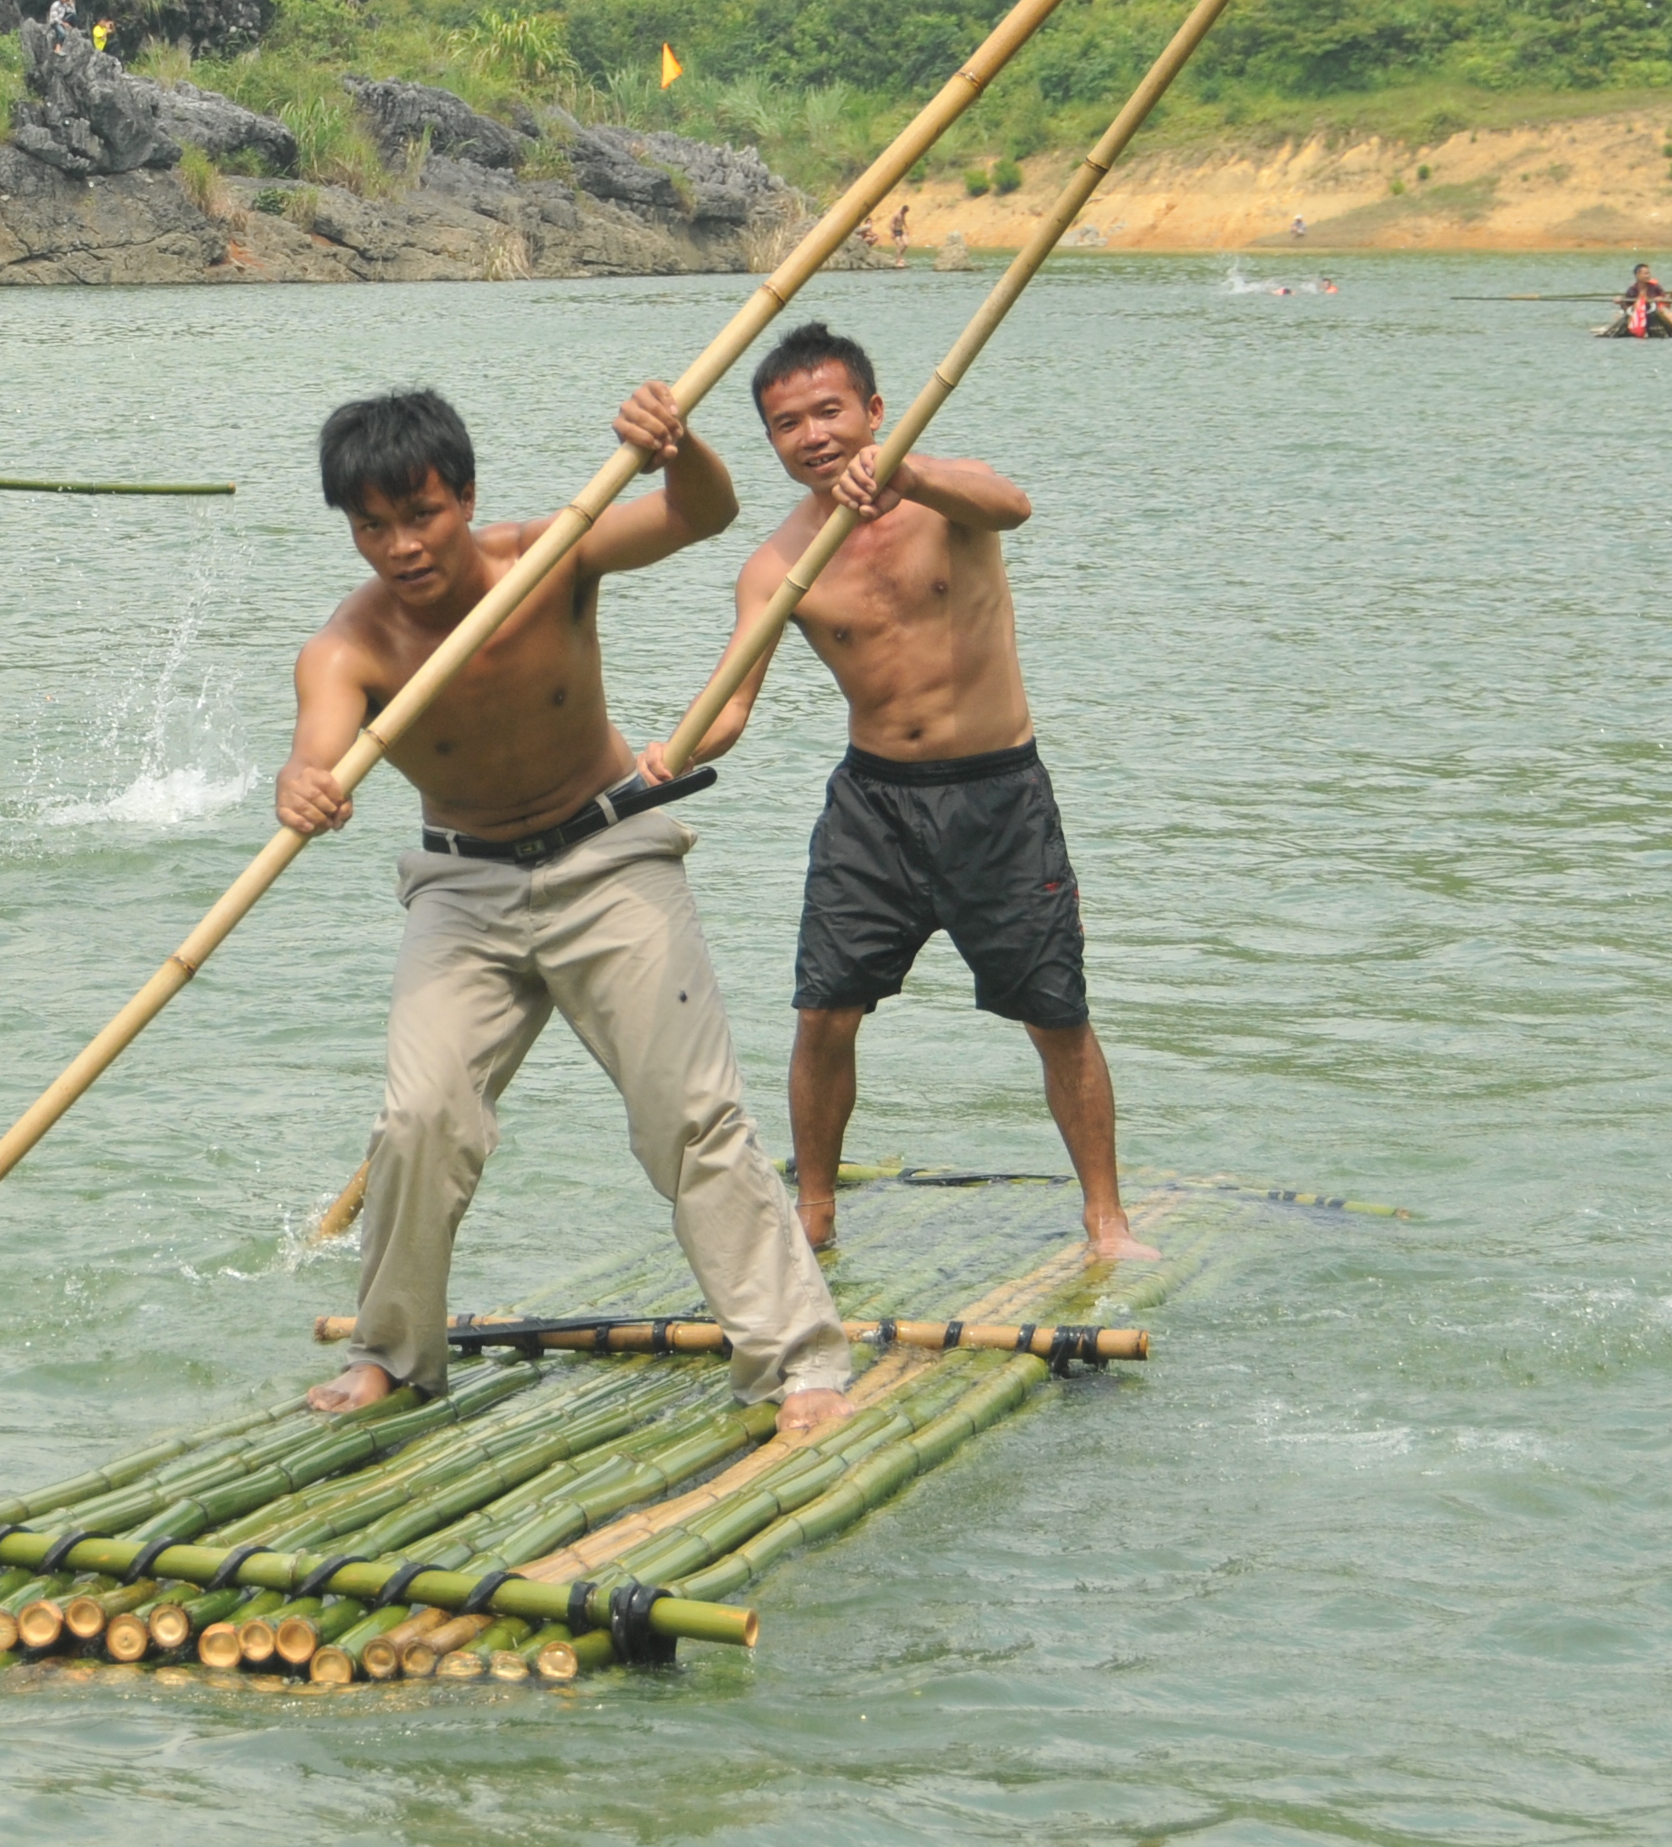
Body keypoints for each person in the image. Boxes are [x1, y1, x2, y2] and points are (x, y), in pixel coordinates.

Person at [287, 383, 853, 1445]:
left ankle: (795, 1360)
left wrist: (673, 449)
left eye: (421, 513)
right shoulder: (347, 647)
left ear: (463, 495)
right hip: (462, 890)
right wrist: (304, 784)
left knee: (689, 1116)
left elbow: (702, 515)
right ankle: (394, 1356)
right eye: (372, 526)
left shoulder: (547, 554)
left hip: (607, 859)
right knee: (418, 1120)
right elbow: (316, 746)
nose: (401, 545)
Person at [645, 324, 1156, 1267]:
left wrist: (910, 474)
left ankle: (1107, 1221)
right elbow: (730, 709)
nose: (813, 435)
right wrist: (661, 756)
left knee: (1056, 1012)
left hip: (998, 793)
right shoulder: (778, 565)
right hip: (873, 806)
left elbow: (1015, 505)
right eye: (786, 424)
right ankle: (814, 1213)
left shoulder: (944, 498)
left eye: (830, 410)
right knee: (824, 1012)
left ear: (874, 411)